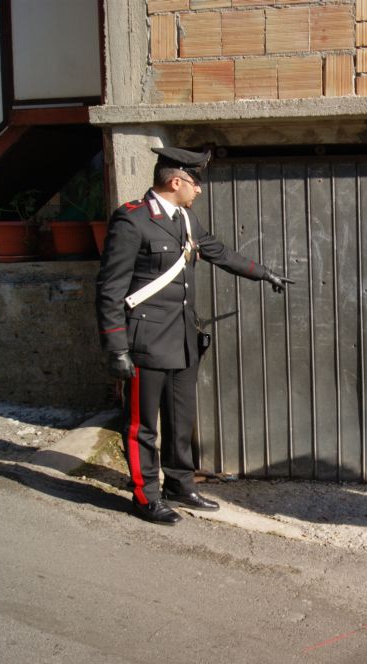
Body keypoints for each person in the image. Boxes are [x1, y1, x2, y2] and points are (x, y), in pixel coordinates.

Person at [96, 146, 292, 526]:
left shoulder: (184, 219)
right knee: (142, 425)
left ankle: (180, 484)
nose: (199, 190)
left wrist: (263, 273)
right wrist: (116, 347)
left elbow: (219, 252)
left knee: (180, 417)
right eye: (195, 182)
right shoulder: (132, 221)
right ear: (175, 181)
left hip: (182, 338)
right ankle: (145, 495)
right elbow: (109, 288)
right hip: (145, 341)